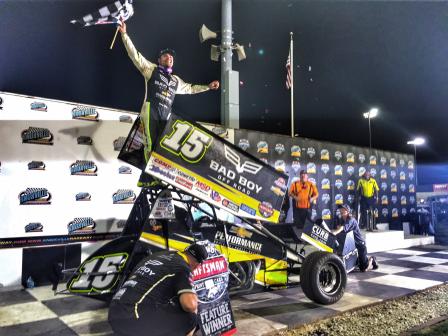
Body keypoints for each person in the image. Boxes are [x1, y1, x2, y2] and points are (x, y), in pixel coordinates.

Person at [118, 21, 219, 158]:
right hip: (150, 111)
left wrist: (207, 87)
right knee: (150, 143)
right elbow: (134, 55)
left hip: (166, 115)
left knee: (162, 147)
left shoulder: (175, 80)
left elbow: (190, 89)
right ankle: (148, 177)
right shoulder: (151, 69)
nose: (169, 57)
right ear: (159, 60)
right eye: (165, 55)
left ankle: (156, 176)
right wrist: (124, 34)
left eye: (171, 56)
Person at [108, 243, 209, 336]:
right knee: (190, 318)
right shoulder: (182, 267)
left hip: (114, 313)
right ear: (198, 264)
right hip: (133, 317)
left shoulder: (157, 255)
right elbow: (190, 305)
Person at [332, 204, 378, 272]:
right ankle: (364, 259)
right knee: (356, 263)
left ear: (347, 211)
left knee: (363, 268)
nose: (341, 210)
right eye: (340, 209)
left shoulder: (351, 220)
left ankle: (372, 259)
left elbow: (342, 228)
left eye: (343, 209)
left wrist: (335, 232)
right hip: (352, 245)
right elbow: (339, 228)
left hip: (360, 244)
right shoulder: (342, 220)